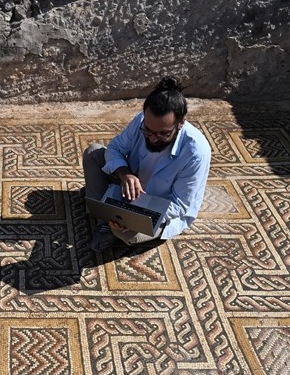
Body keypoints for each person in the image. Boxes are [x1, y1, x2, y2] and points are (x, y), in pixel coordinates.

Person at [83, 77, 211, 251]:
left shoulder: (196, 152)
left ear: (180, 124)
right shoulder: (141, 121)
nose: (152, 138)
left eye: (163, 134)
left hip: (159, 207)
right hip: (128, 187)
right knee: (93, 152)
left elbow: (179, 204)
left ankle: (106, 218)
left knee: (124, 232)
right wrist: (124, 173)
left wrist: (135, 216)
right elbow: (115, 148)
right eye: (148, 131)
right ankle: (105, 218)